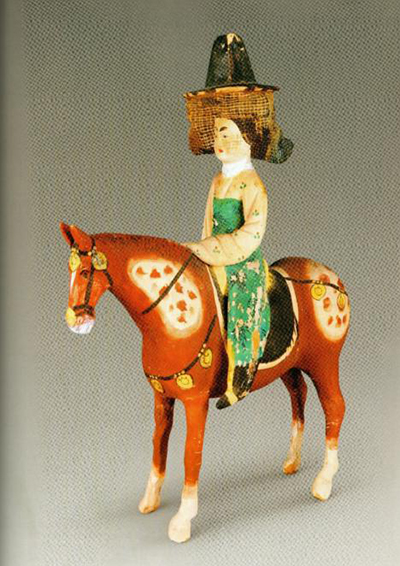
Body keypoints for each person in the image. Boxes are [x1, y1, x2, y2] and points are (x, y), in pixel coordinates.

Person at [183, 33, 293, 409]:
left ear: (248, 137)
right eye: (218, 133)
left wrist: (213, 249)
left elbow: (251, 233)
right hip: (213, 252)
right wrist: (201, 249)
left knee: (244, 300)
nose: (221, 140)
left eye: (229, 133)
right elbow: (206, 224)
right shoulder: (217, 180)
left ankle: (241, 373)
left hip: (243, 260)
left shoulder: (252, 184)